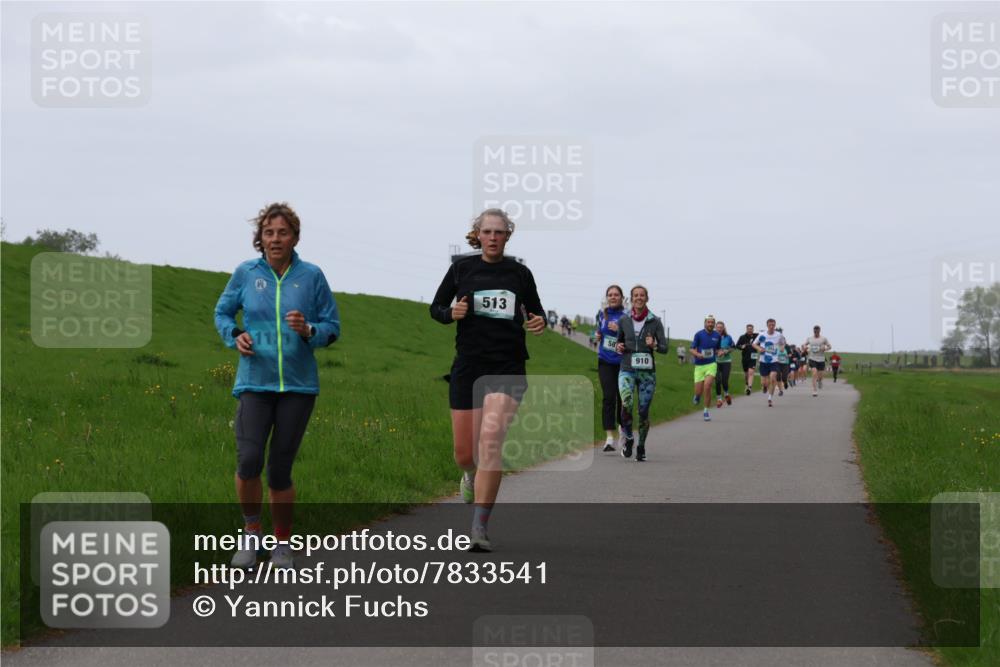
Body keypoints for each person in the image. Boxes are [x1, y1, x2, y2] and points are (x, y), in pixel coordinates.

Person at [215, 202, 342, 570]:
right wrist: (235, 335)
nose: (275, 239)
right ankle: (251, 533)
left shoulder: (312, 276)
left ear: (295, 238)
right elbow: (222, 312)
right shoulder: (245, 273)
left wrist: (310, 330)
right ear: (260, 238)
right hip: (255, 381)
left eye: (282, 232)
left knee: (280, 470)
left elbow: (332, 326)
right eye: (269, 233)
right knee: (250, 459)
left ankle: (282, 545)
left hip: (299, 387)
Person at [430, 209, 546, 552]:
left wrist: (537, 322)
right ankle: (468, 474)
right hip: (468, 366)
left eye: (499, 232)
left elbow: (536, 311)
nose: (493, 237)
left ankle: (479, 527)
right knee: (465, 453)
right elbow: (436, 308)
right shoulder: (461, 269)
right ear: (477, 235)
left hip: (507, 367)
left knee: (491, 442)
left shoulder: (520, 274)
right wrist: (451, 313)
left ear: (508, 236)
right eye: (487, 231)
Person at [614, 285, 667, 461]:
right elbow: (618, 342)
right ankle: (628, 438)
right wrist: (618, 346)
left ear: (647, 298)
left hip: (647, 373)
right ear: (631, 298)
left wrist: (655, 345)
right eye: (635, 295)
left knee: (643, 411)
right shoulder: (624, 320)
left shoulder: (655, 321)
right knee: (626, 402)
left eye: (642, 295)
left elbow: (665, 348)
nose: (639, 298)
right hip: (627, 368)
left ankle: (641, 446)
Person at [594, 285, 626, 452]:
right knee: (608, 397)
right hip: (605, 360)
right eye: (610, 295)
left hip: (623, 362)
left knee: (622, 398)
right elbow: (598, 332)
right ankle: (609, 437)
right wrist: (597, 335)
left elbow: (634, 337)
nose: (613, 297)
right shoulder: (602, 314)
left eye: (616, 295)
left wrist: (620, 329)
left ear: (622, 298)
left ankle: (623, 430)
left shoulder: (627, 316)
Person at [691, 315, 721, 421]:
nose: (710, 324)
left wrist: (720, 352)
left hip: (711, 364)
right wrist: (697, 354)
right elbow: (692, 349)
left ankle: (706, 411)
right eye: (708, 322)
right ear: (705, 323)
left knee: (707, 386)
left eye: (712, 322)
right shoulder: (698, 334)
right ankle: (697, 396)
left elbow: (717, 349)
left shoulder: (717, 335)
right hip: (699, 365)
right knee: (698, 391)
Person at [753, 318, 786, 408]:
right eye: (770, 325)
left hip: (774, 361)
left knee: (772, 378)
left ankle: (770, 398)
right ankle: (764, 386)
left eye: (773, 325)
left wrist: (782, 347)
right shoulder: (762, 334)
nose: (771, 327)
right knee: (764, 382)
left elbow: (783, 343)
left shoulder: (779, 335)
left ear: (775, 325)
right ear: (767, 325)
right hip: (763, 361)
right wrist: (759, 349)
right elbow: (754, 344)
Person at [803, 325, 832, 397]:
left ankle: (820, 381)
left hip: (821, 359)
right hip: (812, 358)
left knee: (820, 375)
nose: (816, 332)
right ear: (813, 331)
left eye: (817, 331)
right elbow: (804, 345)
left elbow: (830, 346)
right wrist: (805, 347)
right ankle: (814, 390)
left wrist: (825, 348)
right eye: (815, 331)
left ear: (819, 331)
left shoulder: (823, 339)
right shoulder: (809, 338)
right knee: (814, 373)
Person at [714, 320, 734, 407]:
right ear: (715, 328)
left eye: (721, 328)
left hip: (726, 361)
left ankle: (726, 394)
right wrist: (716, 352)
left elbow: (733, 347)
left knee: (724, 380)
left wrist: (725, 351)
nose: (719, 329)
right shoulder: (712, 337)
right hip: (715, 362)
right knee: (717, 381)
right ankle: (719, 399)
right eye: (718, 327)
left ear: (723, 328)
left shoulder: (728, 337)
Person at [735, 324, 757, 395]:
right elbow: (737, 346)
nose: (750, 330)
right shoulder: (742, 337)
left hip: (753, 357)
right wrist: (741, 347)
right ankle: (747, 384)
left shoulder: (756, 336)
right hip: (745, 358)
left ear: (753, 329)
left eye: (751, 329)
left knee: (751, 372)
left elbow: (763, 336)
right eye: (748, 329)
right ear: (746, 329)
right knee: (746, 374)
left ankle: (749, 388)